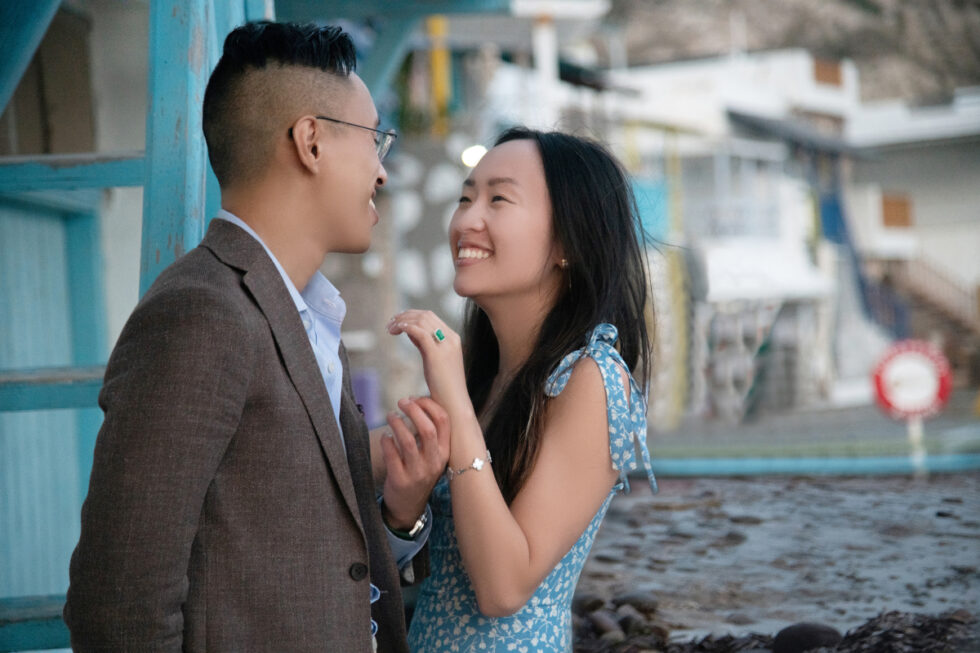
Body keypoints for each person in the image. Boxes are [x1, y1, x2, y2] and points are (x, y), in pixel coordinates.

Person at [64, 21, 448, 653]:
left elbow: (311, 562)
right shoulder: (201, 313)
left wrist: (398, 516)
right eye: (374, 139)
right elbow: (120, 602)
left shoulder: (308, 314)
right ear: (311, 142)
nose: (382, 172)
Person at [388, 127, 659, 652]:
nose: (467, 220)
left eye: (498, 200)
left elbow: (503, 588)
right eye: (465, 198)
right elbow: (433, 569)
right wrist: (403, 512)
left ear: (567, 244)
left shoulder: (593, 379)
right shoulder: (489, 379)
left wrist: (452, 395)